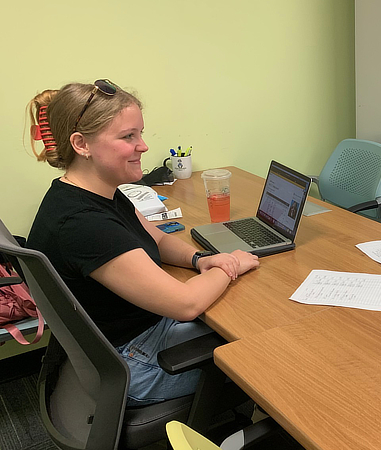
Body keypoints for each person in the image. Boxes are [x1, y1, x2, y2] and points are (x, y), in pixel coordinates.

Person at [25, 80, 260, 406]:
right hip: (134, 363)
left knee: (251, 325)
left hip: (137, 334)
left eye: (140, 133)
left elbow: (158, 238)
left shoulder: (95, 190)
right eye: (128, 136)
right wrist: (230, 263)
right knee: (267, 360)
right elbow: (185, 304)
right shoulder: (84, 224)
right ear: (82, 144)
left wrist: (200, 260)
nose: (144, 146)